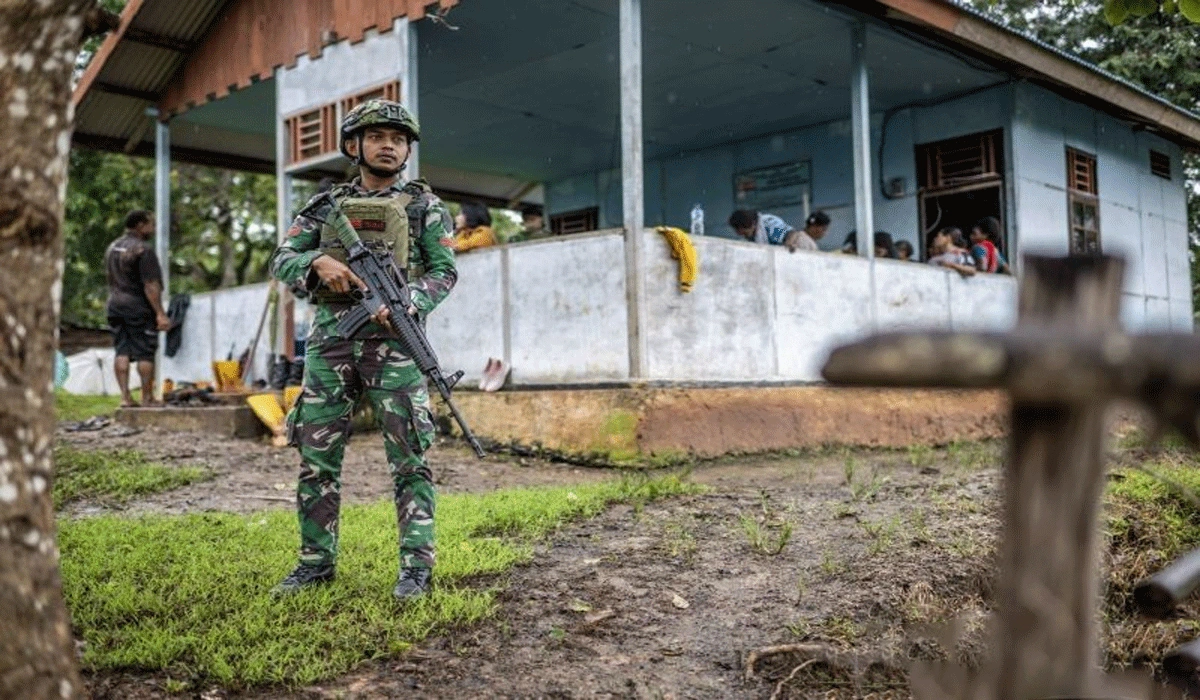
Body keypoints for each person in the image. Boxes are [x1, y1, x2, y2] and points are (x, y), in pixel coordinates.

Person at [268, 99, 458, 601]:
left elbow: (445, 272)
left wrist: (409, 302)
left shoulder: (425, 208)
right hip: (331, 342)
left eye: (398, 140)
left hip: (396, 345)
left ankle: (416, 569)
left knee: (410, 459)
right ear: (354, 145)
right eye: (378, 137)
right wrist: (316, 265)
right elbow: (282, 258)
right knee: (317, 457)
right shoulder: (323, 205)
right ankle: (315, 564)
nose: (389, 145)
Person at [104, 209, 170, 407]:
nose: (153, 228)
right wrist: (160, 313)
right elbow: (150, 284)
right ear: (141, 225)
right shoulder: (142, 250)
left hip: (114, 305)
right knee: (144, 352)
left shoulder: (113, 247)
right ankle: (147, 397)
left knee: (121, 351)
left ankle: (125, 398)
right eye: (151, 224)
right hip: (137, 306)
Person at [728, 209, 819, 253]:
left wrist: (788, 244)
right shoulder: (753, 236)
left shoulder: (768, 225)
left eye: (743, 231)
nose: (740, 234)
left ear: (751, 224)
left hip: (801, 243)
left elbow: (791, 233)